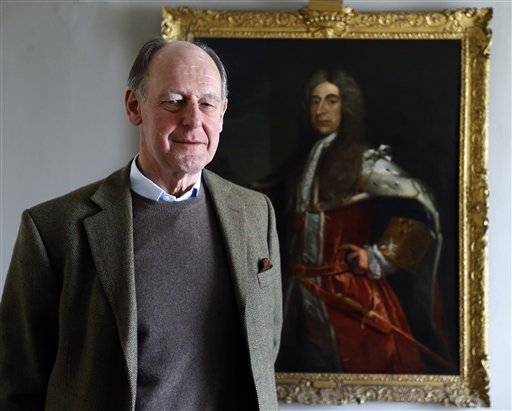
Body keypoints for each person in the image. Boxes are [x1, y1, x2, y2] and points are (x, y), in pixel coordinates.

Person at [0, 38, 282, 410]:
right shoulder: (53, 229)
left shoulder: (256, 213)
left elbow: (266, 346)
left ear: (222, 114)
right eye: (174, 101)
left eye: (207, 103)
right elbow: (17, 385)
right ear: (135, 106)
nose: (193, 120)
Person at [277, 69, 454, 374]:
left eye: (331, 101)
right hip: (300, 298)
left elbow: (420, 205)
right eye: (315, 101)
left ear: (346, 107)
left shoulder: (364, 160)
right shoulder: (305, 159)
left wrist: (378, 256)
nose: (321, 110)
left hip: (350, 295)